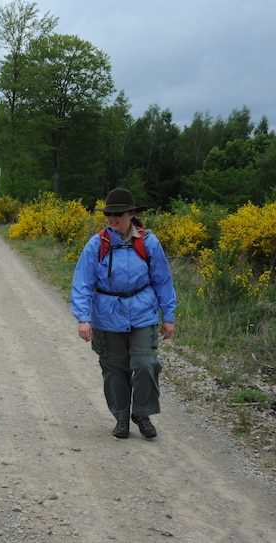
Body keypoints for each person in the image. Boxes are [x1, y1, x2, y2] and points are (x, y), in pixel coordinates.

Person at [70, 188, 176, 440]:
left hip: (142, 311)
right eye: (109, 214)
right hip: (107, 314)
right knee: (114, 368)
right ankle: (120, 417)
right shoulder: (97, 244)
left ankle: (141, 413)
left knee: (145, 363)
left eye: (117, 214)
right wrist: (83, 318)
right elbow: (82, 282)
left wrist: (168, 315)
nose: (112, 219)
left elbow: (163, 280)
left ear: (131, 214)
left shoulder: (148, 242)